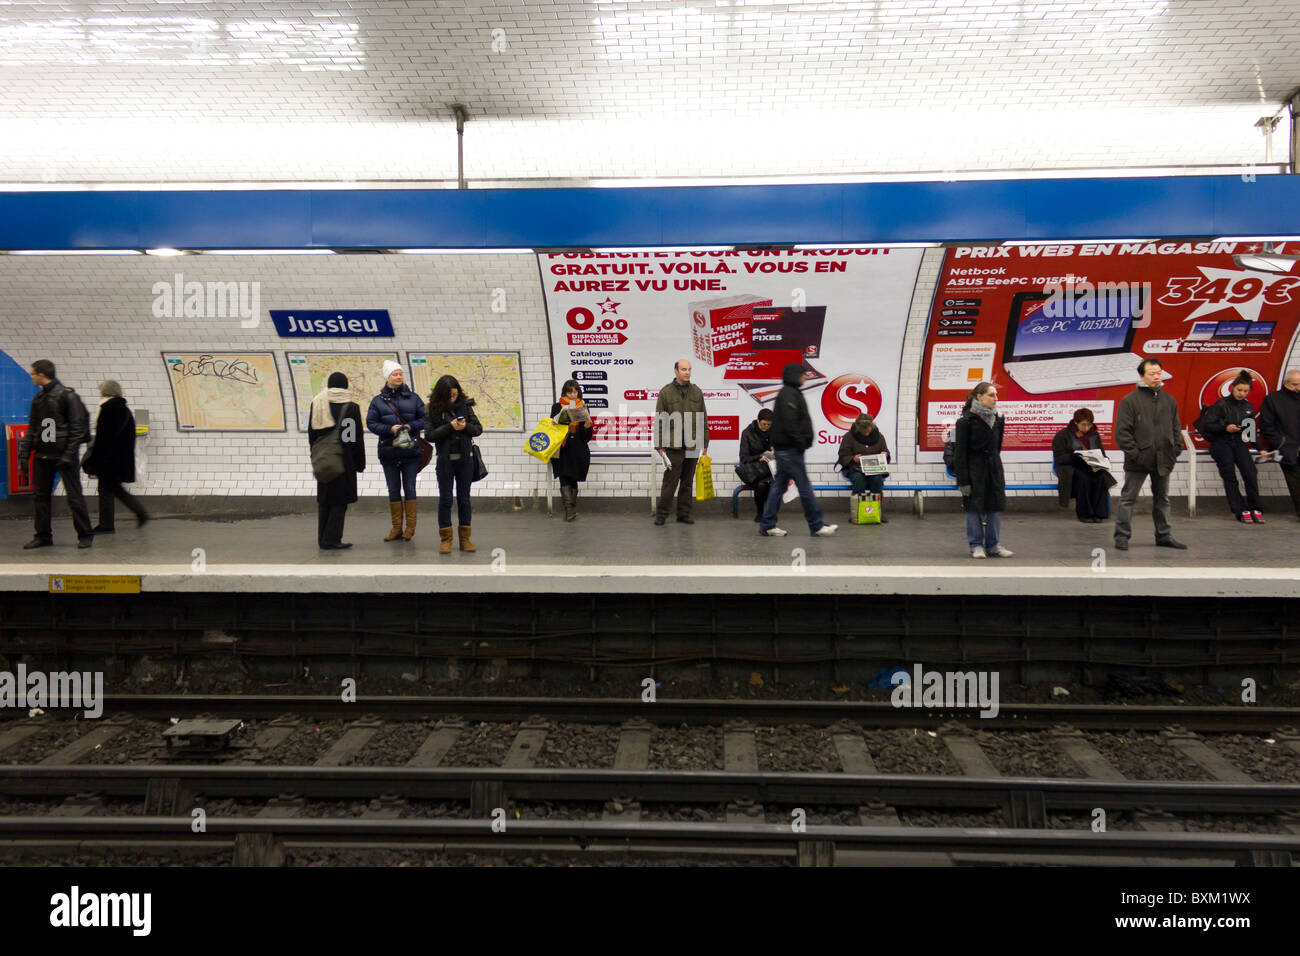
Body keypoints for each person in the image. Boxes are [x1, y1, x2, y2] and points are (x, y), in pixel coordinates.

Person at [17, 360, 93, 549]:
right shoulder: (38, 399)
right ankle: (43, 536)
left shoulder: (67, 396)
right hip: (43, 455)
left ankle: (85, 535)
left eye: (33, 373)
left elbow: (77, 428)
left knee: (74, 497)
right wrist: (24, 455)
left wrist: (69, 454)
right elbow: (33, 428)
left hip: (64, 456)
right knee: (40, 497)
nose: (31, 376)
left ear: (42, 374)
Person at [1113, 358, 1186, 550]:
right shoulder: (1130, 401)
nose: (1156, 376)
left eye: (1158, 373)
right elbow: (1122, 433)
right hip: (1138, 460)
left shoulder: (1169, 400)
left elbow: (1176, 428)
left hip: (1164, 458)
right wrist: (1136, 454)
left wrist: (1175, 450)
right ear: (1141, 376)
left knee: (1162, 499)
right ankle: (1122, 536)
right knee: (1128, 499)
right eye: (1151, 373)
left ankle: (1164, 535)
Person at [759, 362, 837, 537]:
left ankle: (767, 524)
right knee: (804, 487)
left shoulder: (791, 393)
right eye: (802, 374)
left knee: (779, 487)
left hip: (787, 450)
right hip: (790, 450)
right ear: (794, 375)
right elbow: (790, 423)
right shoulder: (788, 395)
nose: (805, 376)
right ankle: (816, 525)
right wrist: (801, 442)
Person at [367, 360, 425, 543]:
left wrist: (409, 426)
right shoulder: (377, 401)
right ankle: (396, 528)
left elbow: (425, 419)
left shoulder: (414, 398)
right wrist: (389, 429)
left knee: (410, 488)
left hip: (410, 452)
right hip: (389, 451)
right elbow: (371, 423)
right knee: (393, 489)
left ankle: (410, 528)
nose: (399, 377)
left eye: (400, 374)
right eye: (395, 374)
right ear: (387, 377)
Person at [80, 380, 149, 534]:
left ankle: (137, 514)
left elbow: (103, 438)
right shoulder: (124, 409)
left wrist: (96, 460)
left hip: (109, 460)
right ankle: (108, 524)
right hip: (119, 459)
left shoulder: (108, 409)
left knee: (112, 490)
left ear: (104, 393)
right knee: (109, 489)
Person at [953, 381, 1012, 558]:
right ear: (979, 397)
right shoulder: (965, 421)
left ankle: (994, 544)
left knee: (995, 505)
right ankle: (976, 545)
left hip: (993, 467)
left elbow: (997, 445)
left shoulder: (999, 418)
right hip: (974, 468)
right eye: (991, 395)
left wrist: (994, 462)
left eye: (996, 395)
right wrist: (963, 480)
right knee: (974, 507)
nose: (996, 398)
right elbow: (960, 453)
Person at [308, 372, 366, 549]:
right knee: (340, 501)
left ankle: (322, 538)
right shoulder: (351, 407)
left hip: (324, 458)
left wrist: (316, 454)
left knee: (325, 500)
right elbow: (355, 438)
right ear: (345, 385)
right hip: (344, 459)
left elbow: (312, 434)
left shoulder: (317, 403)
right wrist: (359, 462)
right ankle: (332, 539)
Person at [427, 374, 483, 554]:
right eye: (450, 395)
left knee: (464, 499)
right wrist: (450, 427)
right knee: (445, 499)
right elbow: (429, 435)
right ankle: (446, 539)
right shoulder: (433, 409)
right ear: (442, 395)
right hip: (445, 461)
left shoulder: (465, 406)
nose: (453, 398)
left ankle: (465, 539)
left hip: (465, 460)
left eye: (455, 394)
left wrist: (465, 427)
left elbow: (478, 429)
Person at [1199, 370, 1263, 523]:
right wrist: (1225, 428)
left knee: (1250, 473)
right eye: (1239, 390)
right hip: (1221, 443)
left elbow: (1250, 431)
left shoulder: (1248, 407)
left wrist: (1261, 448)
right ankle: (1240, 510)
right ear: (1232, 388)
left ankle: (1255, 507)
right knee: (1230, 477)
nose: (1241, 393)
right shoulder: (1221, 404)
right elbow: (1208, 425)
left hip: (1239, 443)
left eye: (1245, 391)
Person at [653, 359, 709, 526]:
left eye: (689, 369)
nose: (687, 372)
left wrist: (705, 442)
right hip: (673, 444)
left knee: (687, 481)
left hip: (693, 442)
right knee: (670, 481)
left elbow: (703, 418)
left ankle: (683, 514)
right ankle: (662, 514)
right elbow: (659, 420)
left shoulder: (697, 392)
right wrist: (659, 444)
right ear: (676, 371)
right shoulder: (666, 392)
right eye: (684, 369)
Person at [1051, 408, 1115, 523]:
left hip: (1091, 466)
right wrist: (1074, 456)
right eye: (1083, 425)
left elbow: (1101, 453)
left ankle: (1100, 513)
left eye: (1089, 425)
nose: (1086, 428)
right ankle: (1085, 514)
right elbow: (1059, 458)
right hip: (1071, 467)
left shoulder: (1094, 435)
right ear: (1076, 422)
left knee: (1100, 477)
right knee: (1084, 479)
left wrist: (1103, 460)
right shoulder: (1063, 435)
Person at [550, 379, 594, 521]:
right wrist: (555, 422)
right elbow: (552, 428)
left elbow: (586, 437)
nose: (573, 395)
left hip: (578, 448)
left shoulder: (583, 408)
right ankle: (569, 510)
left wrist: (587, 427)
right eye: (570, 392)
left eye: (575, 392)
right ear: (565, 392)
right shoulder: (557, 407)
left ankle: (571, 509)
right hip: (562, 447)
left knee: (573, 476)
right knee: (564, 475)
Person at [837, 412, 891, 524]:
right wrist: (853, 458)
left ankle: (878, 512)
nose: (866, 433)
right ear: (857, 428)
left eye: (868, 430)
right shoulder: (849, 437)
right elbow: (843, 455)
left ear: (872, 426)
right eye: (863, 431)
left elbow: (887, 453)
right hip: (855, 468)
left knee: (877, 479)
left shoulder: (879, 437)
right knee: (858, 479)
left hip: (873, 469)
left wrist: (885, 455)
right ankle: (856, 513)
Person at [1260, 368, 1300, 520]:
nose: (1298, 388)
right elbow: (1266, 425)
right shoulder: (1273, 399)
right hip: (1288, 448)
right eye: (1294, 384)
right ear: (1285, 383)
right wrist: (1280, 443)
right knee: (1295, 483)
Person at [737, 408, 775, 522]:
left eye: (769, 425)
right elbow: (744, 458)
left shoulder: (775, 432)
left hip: (770, 469)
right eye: (764, 424)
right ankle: (760, 512)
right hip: (754, 470)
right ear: (758, 421)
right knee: (762, 485)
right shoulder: (747, 433)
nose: (766, 427)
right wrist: (760, 457)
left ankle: (768, 512)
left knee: (770, 482)